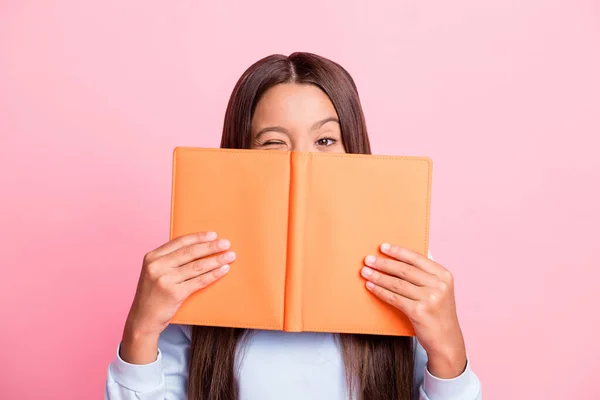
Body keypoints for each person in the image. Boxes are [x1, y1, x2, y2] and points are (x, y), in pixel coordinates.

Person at [105, 52, 482, 400]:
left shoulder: (404, 260)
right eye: (272, 142)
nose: (302, 161)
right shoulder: (194, 264)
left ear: (353, 148)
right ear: (239, 153)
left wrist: (447, 347)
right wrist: (140, 327)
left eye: (325, 140)